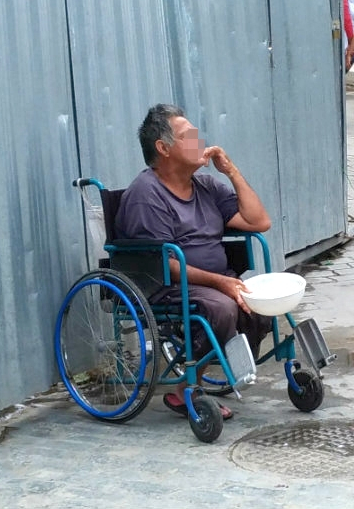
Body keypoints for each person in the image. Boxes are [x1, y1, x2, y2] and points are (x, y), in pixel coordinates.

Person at [114, 103, 273, 420]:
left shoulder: (206, 185)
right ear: (164, 148)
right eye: (189, 136)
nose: (200, 140)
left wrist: (231, 172)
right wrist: (221, 282)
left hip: (213, 279)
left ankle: (233, 366)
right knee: (223, 307)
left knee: (258, 304)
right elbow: (165, 265)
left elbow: (259, 222)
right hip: (167, 284)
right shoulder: (146, 194)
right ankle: (185, 389)